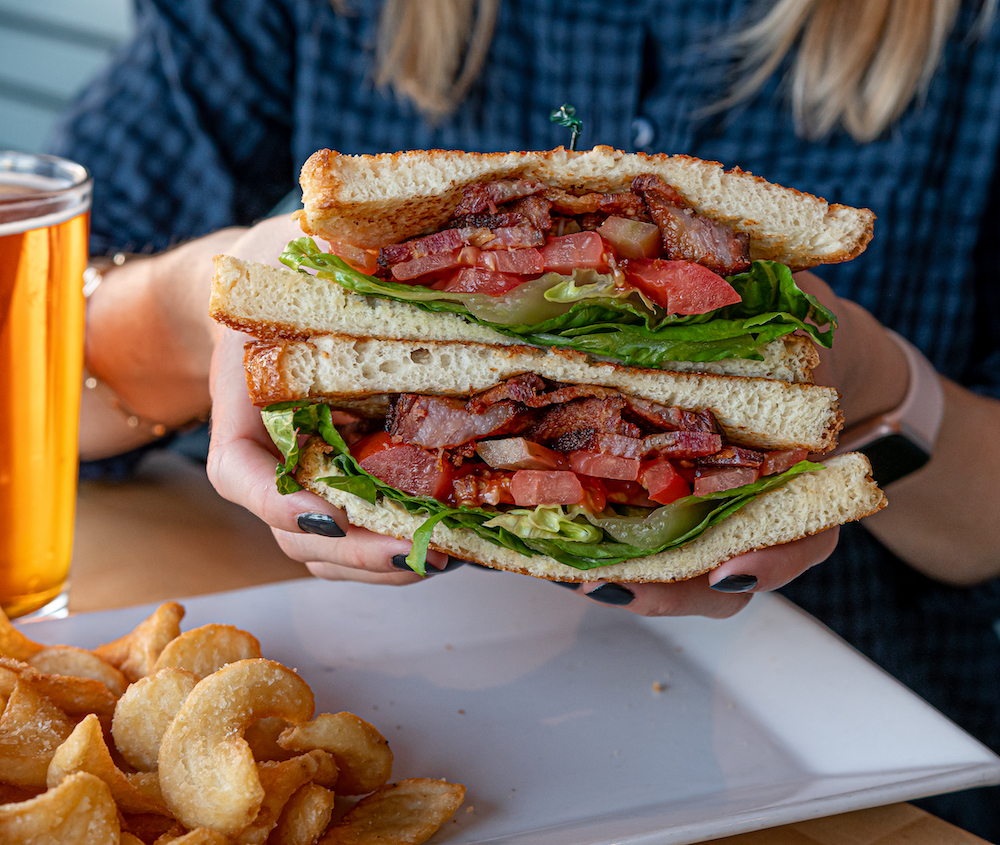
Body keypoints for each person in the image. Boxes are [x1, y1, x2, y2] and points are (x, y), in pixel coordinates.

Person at [51, 0, 1000, 835]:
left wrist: (882, 381)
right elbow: (39, 351)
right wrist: (204, 305)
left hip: (858, 776)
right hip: (393, 711)